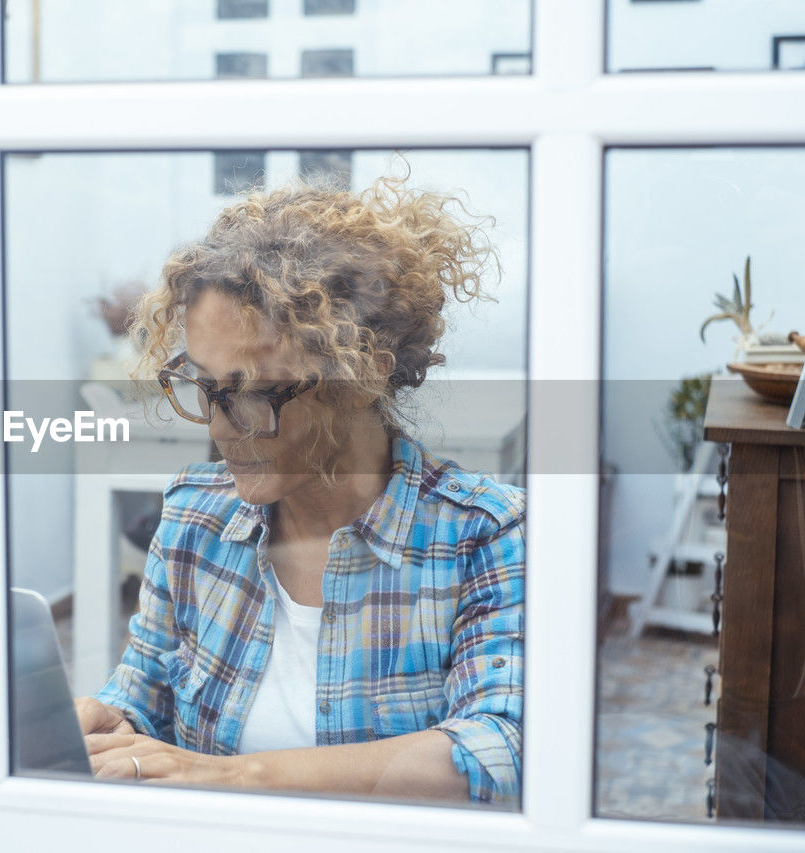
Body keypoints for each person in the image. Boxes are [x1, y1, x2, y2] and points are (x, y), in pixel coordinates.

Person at [74, 177, 524, 805]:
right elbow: (145, 698)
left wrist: (220, 775)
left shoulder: (481, 535)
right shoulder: (193, 519)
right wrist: (112, 725)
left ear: (365, 374)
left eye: (258, 391)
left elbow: (495, 751)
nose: (221, 425)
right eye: (205, 385)